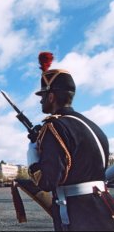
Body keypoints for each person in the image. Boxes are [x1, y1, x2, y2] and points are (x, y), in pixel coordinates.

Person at [27, 52, 114, 231]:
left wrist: (33, 154)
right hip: (103, 207)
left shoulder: (54, 127)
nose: (41, 100)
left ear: (51, 97)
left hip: (76, 215)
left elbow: (46, 182)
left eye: (43, 96)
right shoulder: (92, 126)